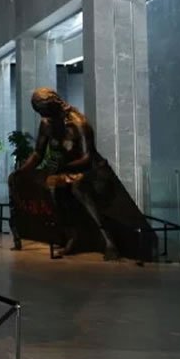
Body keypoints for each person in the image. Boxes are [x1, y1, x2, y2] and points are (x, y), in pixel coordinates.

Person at [12, 87, 119, 260]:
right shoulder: (47, 123)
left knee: (78, 187)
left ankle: (108, 240)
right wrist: (21, 172)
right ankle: (71, 236)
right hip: (64, 170)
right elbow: (38, 153)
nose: (44, 117)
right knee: (50, 185)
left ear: (55, 107)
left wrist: (63, 167)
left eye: (45, 113)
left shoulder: (79, 123)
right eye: (41, 114)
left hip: (91, 172)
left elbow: (88, 158)